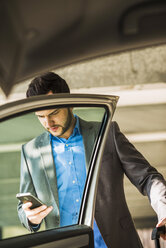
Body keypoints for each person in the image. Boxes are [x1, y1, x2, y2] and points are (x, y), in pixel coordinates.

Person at [18, 72, 166, 248]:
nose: (48, 122)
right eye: (40, 117)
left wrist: (164, 210)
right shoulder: (30, 152)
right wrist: (30, 217)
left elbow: (148, 178)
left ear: (71, 104)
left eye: (54, 113)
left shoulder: (106, 134)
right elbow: (23, 208)